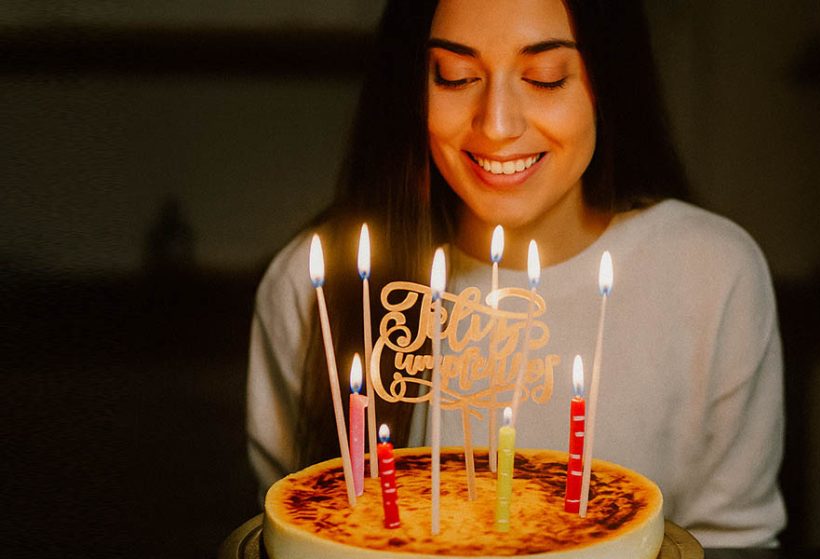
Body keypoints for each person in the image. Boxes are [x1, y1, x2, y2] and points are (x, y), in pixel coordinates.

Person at [247, 0, 785, 547]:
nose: (498, 125)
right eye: (455, 77)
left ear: (608, 81)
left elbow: (732, 540)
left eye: (545, 78)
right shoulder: (313, 286)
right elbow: (294, 534)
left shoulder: (710, 272)